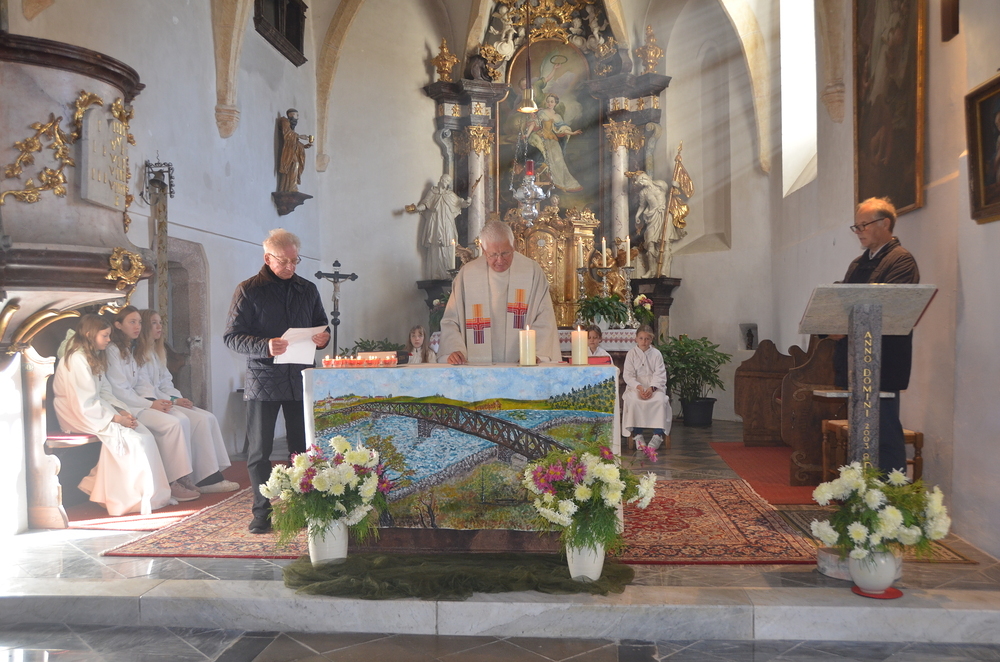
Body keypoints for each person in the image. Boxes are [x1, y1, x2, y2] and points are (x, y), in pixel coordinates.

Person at [224, 228, 330, 534]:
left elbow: (321, 325)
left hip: (300, 378)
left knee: (302, 448)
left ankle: (303, 506)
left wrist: (323, 338)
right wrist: (265, 346)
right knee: (260, 451)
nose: (290, 267)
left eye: (295, 261)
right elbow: (232, 337)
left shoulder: (307, 289)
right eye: (284, 261)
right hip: (264, 379)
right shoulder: (248, 290)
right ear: (267, 258)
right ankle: (262, 512)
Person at [53, 314, 173, 516]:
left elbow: (105, 391)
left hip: (97, 409)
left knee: (144, 434)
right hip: (76, 412)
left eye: (109, 335)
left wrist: (121, 410)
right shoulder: (76, 359)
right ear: (90, 334)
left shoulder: (94, 355)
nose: (109, 340)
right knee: (130, 440)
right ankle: (125, 499)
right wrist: (116, 419)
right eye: (105, 336)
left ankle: (147, 494)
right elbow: (84, 401)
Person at [833, 197, 919, 474]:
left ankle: (890, 492)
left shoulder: (901, 260)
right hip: (857, 362)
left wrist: (847, 324)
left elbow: (890, 309)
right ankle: (861, 488)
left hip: (883, 361)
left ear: (885, 223)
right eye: (856, 226)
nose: (858, 231)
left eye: (864, 225)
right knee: (861, 432)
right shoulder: (857, 264)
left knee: (884, 431)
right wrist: (832, 325)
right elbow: (845, 304)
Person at [103, 306, 201, 502]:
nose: (137, 326)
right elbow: (120, 391)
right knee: (172, 424)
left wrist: (163, 401)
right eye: (132, 322)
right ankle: (172, 481)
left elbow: (140, 382)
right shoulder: (113, 350)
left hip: (138, 402)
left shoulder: (129, 349)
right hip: (125, 407)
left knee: (181, 419)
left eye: (139, 322)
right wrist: (150, 404)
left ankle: (182, 476)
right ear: (118, 325)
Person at [135, 309, 239, 493]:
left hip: (165, 400)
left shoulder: (156, 352)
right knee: (193, 421)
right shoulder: (137, 354)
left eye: (160, 322)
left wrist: (178, 398)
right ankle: (199, 479)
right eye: (154, 323)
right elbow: (144, 388)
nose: (159, 327)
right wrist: (172, 402)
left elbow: (165, 382)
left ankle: (208, 475)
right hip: (150, 403)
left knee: (207, 418)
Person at [438, 220, 560, 364]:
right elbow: (451, 320)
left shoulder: (531, 271)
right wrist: (455, 350)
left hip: (524, 365)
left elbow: (544, 317)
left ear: (514, 245)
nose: (500, 260)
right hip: (476, 367)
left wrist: (535, 353)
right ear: (483, 250)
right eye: (493, 254)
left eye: (505, 253)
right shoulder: (467, 275)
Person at [406, 174, 470, 280]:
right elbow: (426, 204)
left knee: (448, 244)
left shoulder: (450, 194)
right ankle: (436, 274)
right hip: (436, 222)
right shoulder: (433, 192)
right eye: (445, 180)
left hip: (447, 223)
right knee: (435, 245)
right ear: (441, 180)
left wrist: (467, 202)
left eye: (448, 181)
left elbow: (460, 203)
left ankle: (448, 274)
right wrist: (417, 209)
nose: (446, 182)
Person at [622, 325, 672, 454]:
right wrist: (639, 388)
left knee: (659, 401)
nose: (644, 341)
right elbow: (628, 375)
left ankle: (658, 435)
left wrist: (651, 388)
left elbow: (660, 374)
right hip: (636, 387)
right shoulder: (631, 354)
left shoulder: (656, 354)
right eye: (641, 338)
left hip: (654, 387)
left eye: (647, 339)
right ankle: (638, 434)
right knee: (634, 401)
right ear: (636, 339)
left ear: (651, 339)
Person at [525, 94, 583, 192]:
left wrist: (572, 133)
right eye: (548, 101)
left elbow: (562, 129)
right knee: (549, 160)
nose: (549, 103)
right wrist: (532, 118)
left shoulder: (558, 116)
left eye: (552, 101)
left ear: (555, 103)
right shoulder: (542, 112)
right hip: (543, 137)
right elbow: (536, 123)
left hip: (552, 139)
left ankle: (564, 184)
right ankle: (554, 181)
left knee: (559, 161)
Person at [278, 108, 312, 193]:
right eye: (297, 115)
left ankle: (288, 186)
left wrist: (303, 146)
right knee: (294, 164)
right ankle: (291, 187)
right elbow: (287, 135)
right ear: (292, 115)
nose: (298, 118)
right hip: (288, 152)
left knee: (294, 165)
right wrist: (300, 136)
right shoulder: (285, 122)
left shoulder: (291, 126)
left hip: (291, 150)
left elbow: (294, 142)